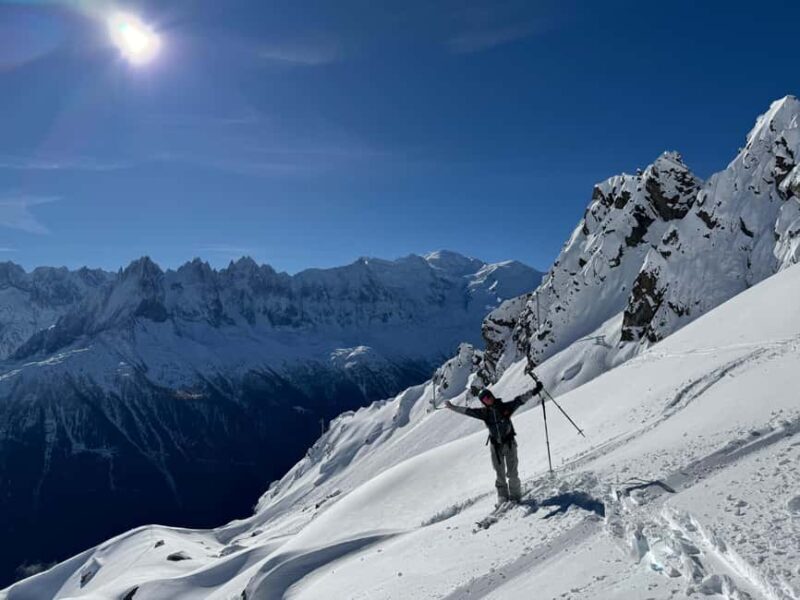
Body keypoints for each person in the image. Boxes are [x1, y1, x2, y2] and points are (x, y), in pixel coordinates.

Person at [445, 380, 543, 504]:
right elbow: (467, 411)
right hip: (495, 446)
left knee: (512, 472)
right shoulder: (484, 413)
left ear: (492, 396)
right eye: (484, 399)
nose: (488, 399)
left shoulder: (505, 407)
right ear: (483, 402)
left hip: (509, 443)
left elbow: (520, 400)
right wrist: (452, 407)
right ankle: (502, 497)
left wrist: (534, 391)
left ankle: (515, 496)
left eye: (488, 396)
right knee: (499, 473)